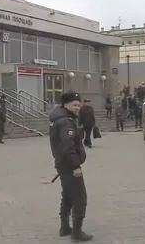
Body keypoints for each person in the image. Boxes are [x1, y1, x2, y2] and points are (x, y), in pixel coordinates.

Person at [49, 91, 93, 242]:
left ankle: (64, 227)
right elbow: (67, 146)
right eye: (74, 105)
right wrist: (76, 166)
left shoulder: (61, 118)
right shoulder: (65, 122)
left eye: (78, 104)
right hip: (69, 165)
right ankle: (77, 232)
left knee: (67, 195)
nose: (77, 107)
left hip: (62, 164)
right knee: (80, 198)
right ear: (66, 105)